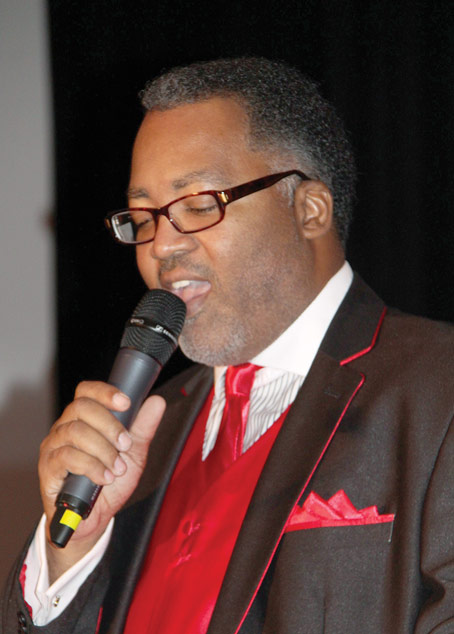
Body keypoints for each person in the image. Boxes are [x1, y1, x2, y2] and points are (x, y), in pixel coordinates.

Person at [2, 57, 454, 634]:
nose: (161, 246)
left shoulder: (437, 390)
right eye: (143, 217)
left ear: (309, 209)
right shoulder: (142, 435)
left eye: (198, 206)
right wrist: (71, 551)